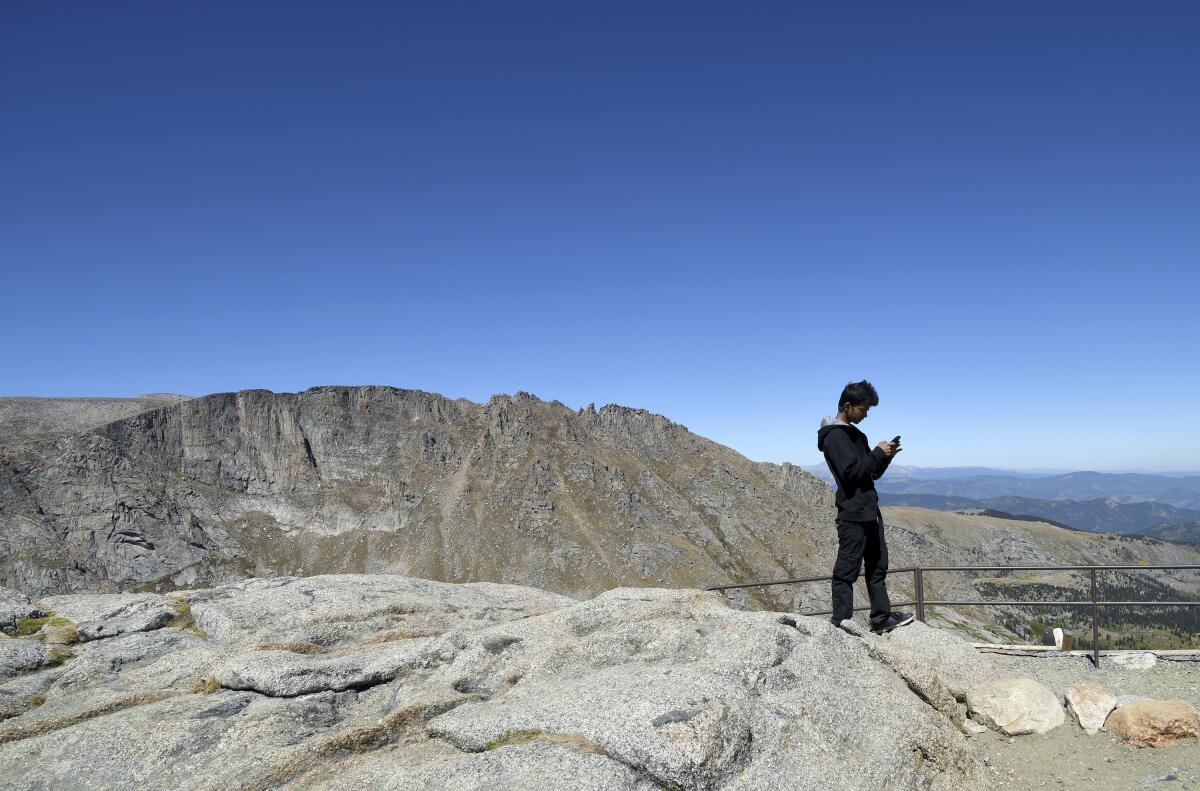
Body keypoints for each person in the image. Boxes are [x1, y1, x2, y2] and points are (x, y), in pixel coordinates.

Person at [816, 380, 914, 634]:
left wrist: (885, 457)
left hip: (870, 513)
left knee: (878, 566)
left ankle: (880, 619)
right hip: (852, 515)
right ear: (847, 406)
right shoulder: (834, 437)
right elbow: (849, 474)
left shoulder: (857, 435)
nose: (866, 414)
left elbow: (869, 474)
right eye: (863, 409)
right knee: (846, 572)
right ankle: (842, 625)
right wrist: (876, 454)